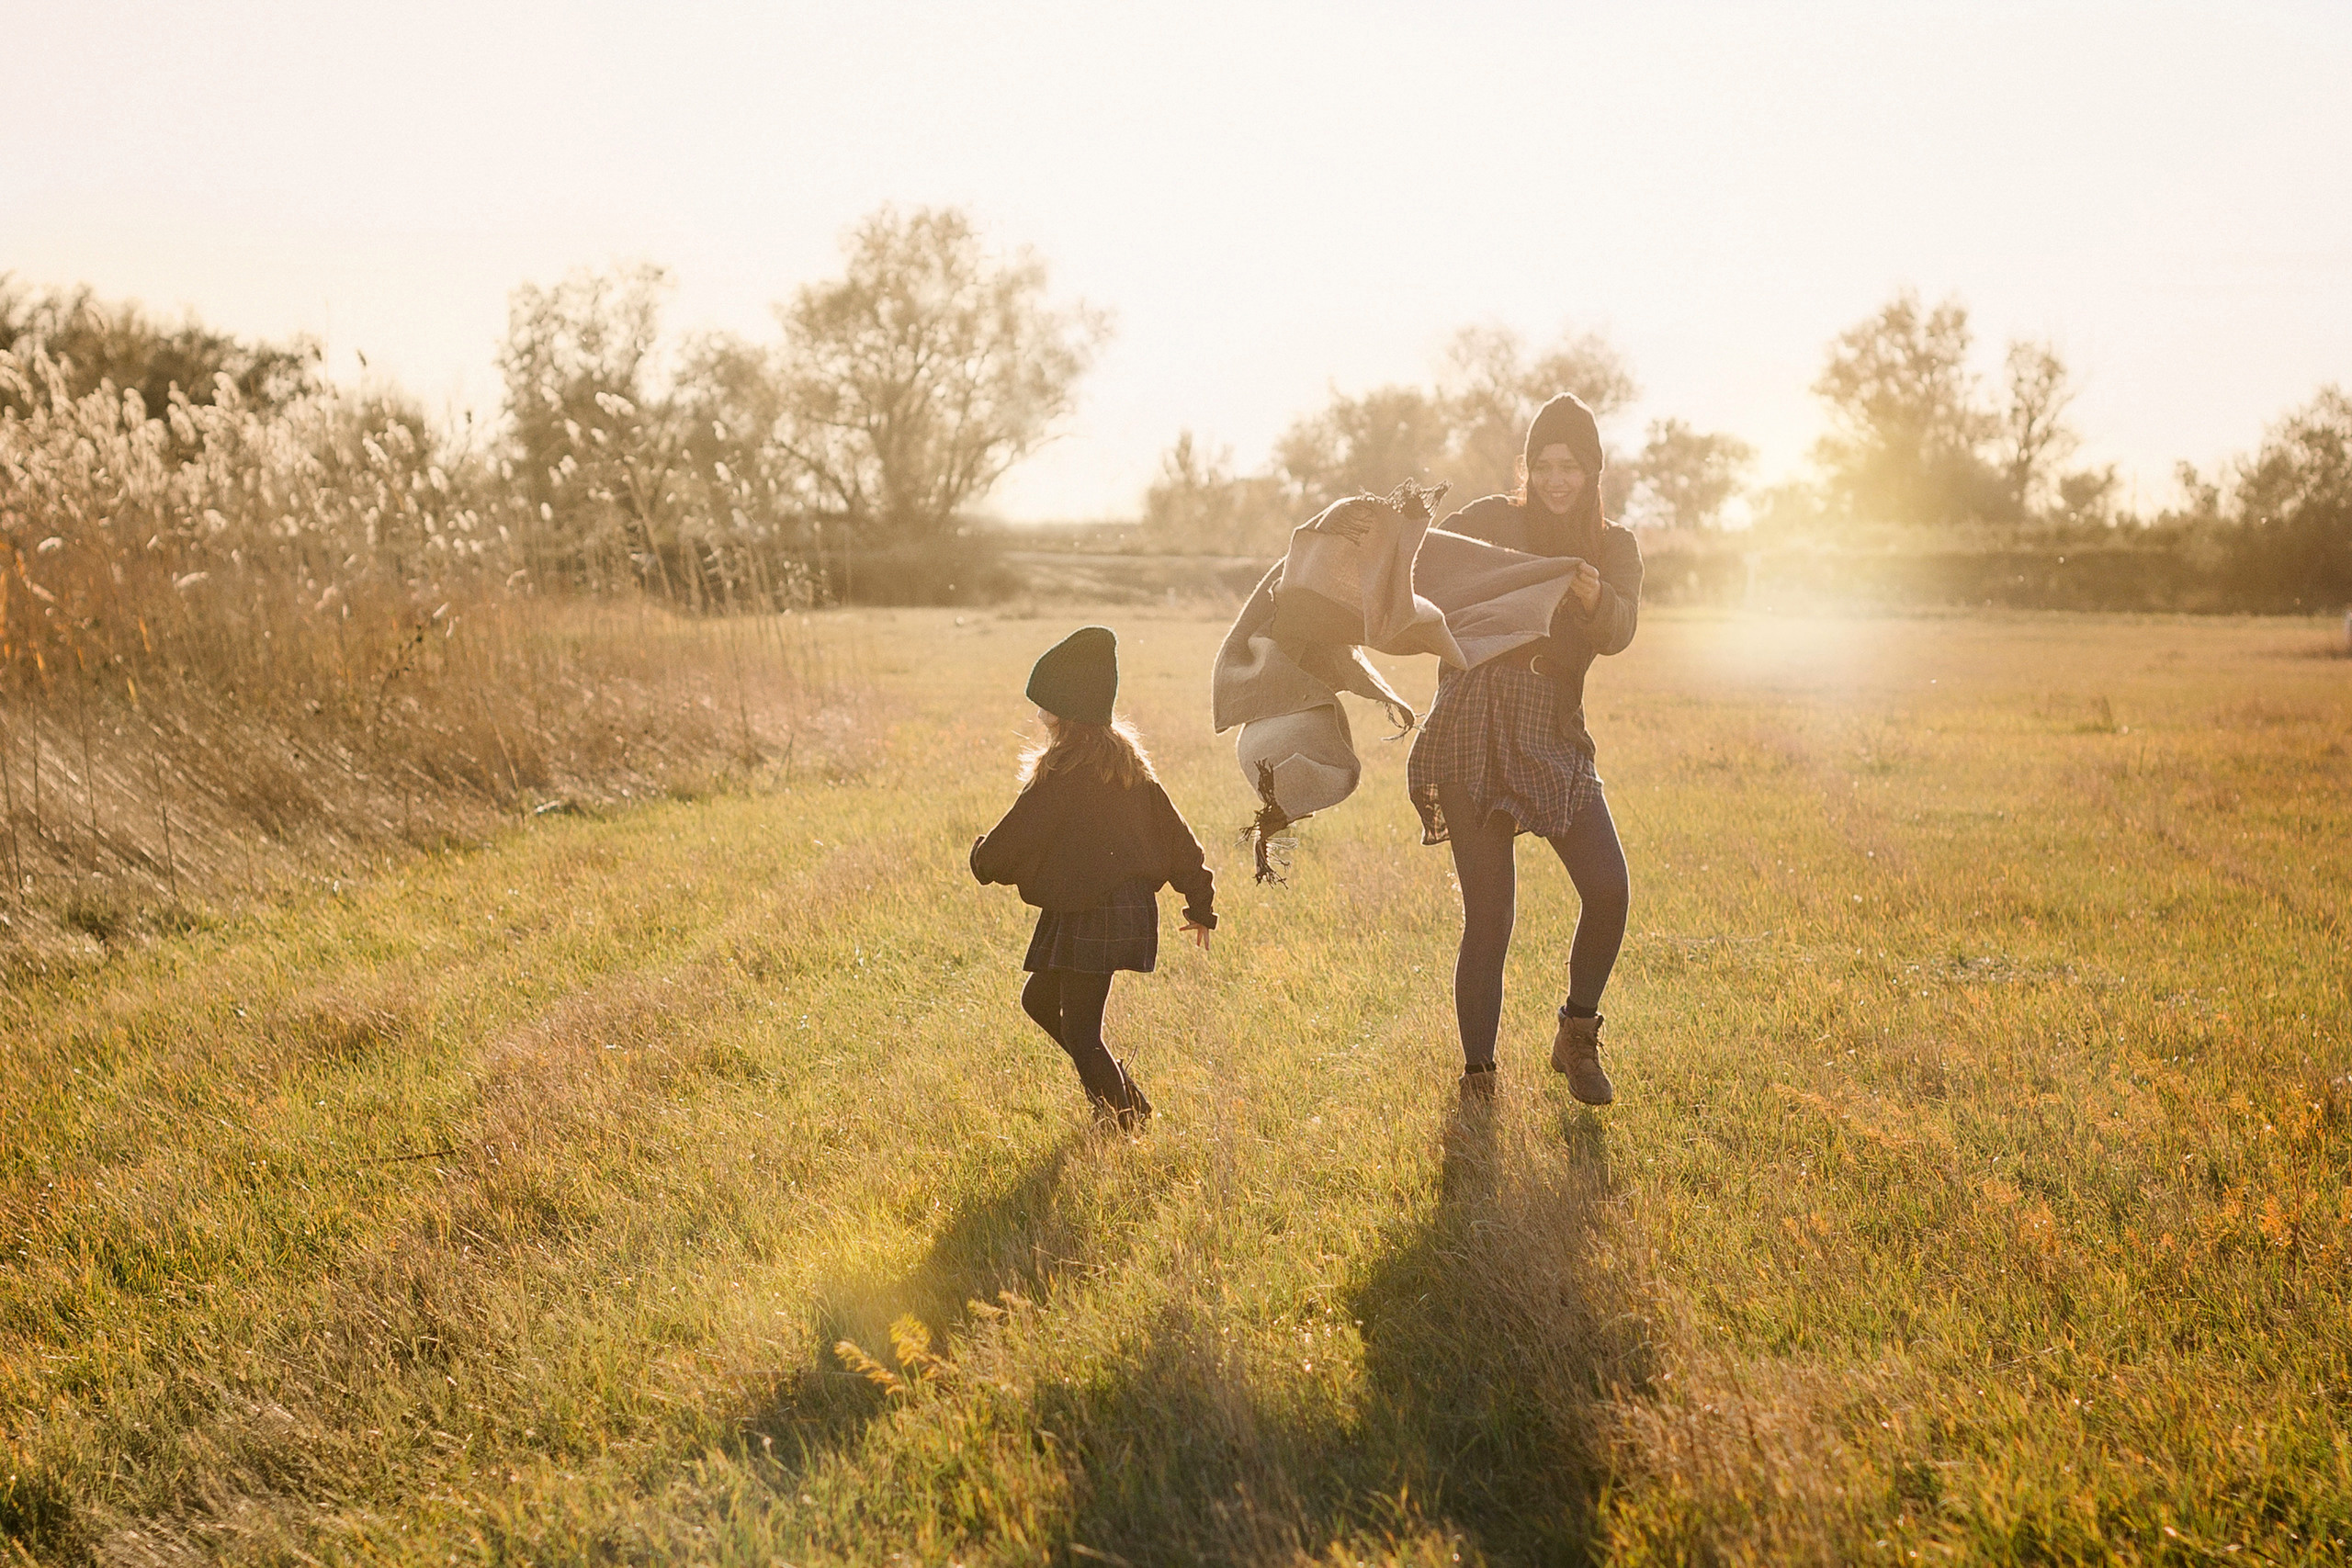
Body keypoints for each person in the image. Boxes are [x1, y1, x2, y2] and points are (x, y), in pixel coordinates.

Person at [1405, 393, 1643, 1106]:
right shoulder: (1490, 519)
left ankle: (1577, 1033)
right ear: (1527, 467)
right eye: (1544, 464)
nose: (1556, 479)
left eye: (1570, 465)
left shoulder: (1614, 547)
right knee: (1490, 917)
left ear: (1593, 470)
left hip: (1552, 726)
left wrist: (1595, 599)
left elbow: (1621, 629)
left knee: (1608, 888)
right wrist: (1391, 523)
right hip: (1472, 720)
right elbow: (1421, 566)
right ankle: (1479, 1079)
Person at [970, 626, 1216, 1128]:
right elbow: (1180, 842)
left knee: (1082, 1033)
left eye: (1045, 703)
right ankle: (1125, 1099)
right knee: (1040, 1000)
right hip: (1115, 909)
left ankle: (1124, 1121)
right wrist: (1199, 904)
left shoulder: (1061, 773)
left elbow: (1011, 840)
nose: (1039, 713)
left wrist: (982, 858)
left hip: (1090, 912)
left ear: (1065, 709)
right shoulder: (1131, 768)